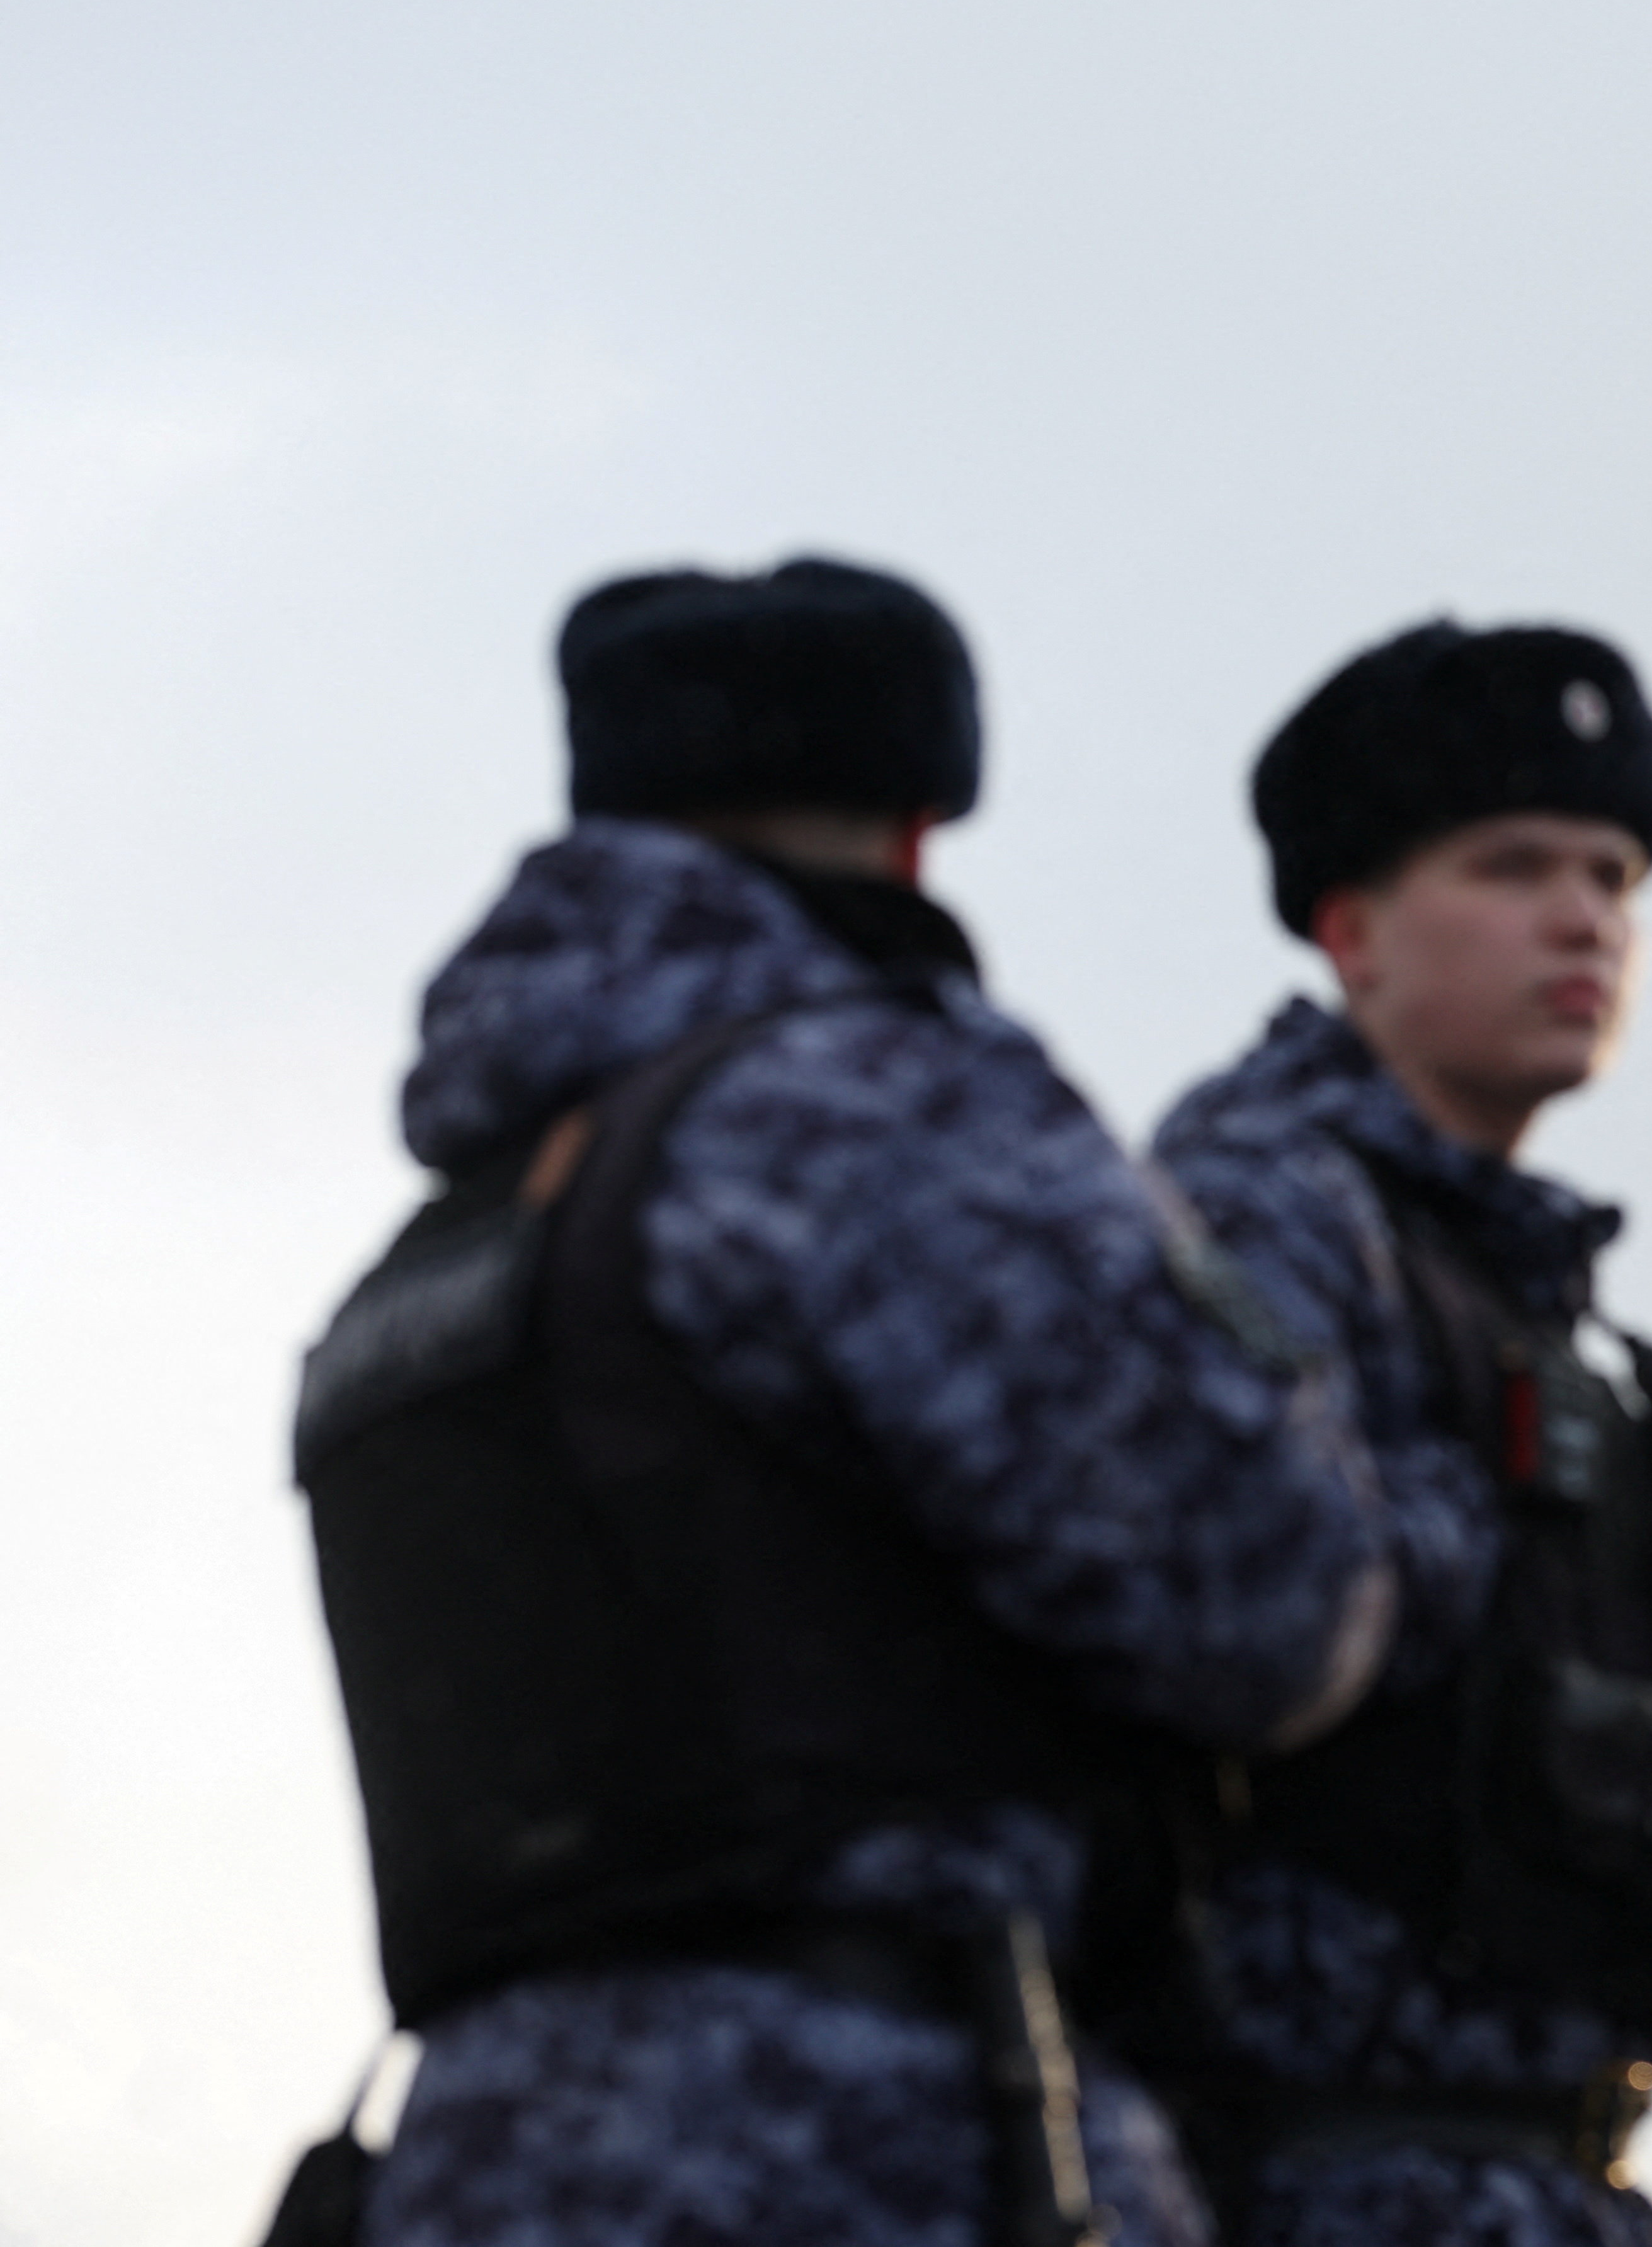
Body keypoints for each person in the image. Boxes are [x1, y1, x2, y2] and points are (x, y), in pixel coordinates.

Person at [275, 559, 1393, 2247]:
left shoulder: (449, 1231)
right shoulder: (869, 1112)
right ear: (921, 818)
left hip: (479, 2149)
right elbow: (1265, 1597)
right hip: (863, 2138)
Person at [1139, 620, 1652, 2247]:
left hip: (1541, 2171)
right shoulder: (1268, 1216)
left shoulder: (1533, 1298)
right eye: (1512, 865)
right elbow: (1235, 1622)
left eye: (1612, 877)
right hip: (1316, 2176)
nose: (1580, 920)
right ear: (1351, 926)